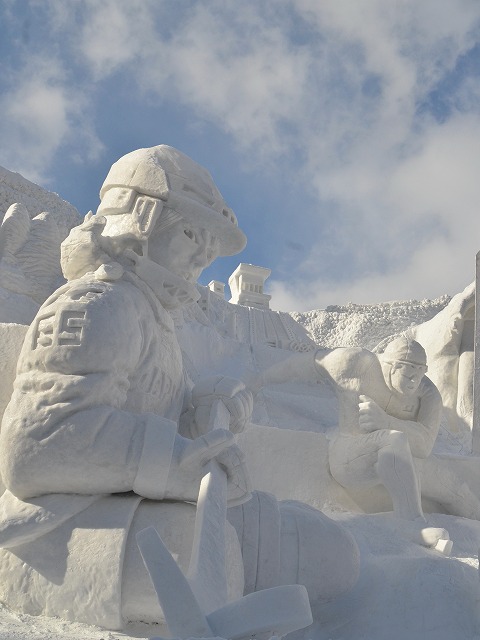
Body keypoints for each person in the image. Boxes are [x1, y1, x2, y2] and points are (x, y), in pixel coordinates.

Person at [0, 145, 359, 630]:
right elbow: (36, 449)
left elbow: (159, 410)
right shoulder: (96, 304)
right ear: (141, 220)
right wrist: (175, 460)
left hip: (136, 500)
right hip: (57, 525)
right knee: (221, 559)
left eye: (209, 247)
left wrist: (205, 403)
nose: (203, 257)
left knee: (320, 543)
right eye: (192, 234)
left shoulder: (151, 315)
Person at [256, 335, 450, 550]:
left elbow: (425, 446)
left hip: (384, 466)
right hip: (347, 457)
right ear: (391, 366)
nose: (415, 381)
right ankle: (412, 524)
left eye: (420, 372)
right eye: (408, 373)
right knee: (394, 439)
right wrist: (258, 380)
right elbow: (308, 364)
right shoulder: (355, 364)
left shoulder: (428, 394)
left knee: (415, 454)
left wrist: (386, 421)